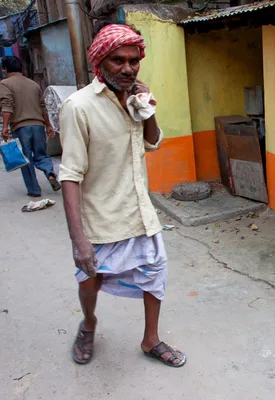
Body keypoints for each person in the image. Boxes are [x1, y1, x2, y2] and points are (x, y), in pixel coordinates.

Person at [59, 22, 186, 367]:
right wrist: (78, 239)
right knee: (90, 281)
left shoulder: (135, 98)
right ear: (99, 62)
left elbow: (152, 141)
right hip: (100, 218)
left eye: (134, 60)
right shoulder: (78, 106)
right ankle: (88, 325)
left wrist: (147, 109)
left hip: (141, 213)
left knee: (155, 276)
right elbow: (69, 175)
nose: (128, 68)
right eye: (118, 60)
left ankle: (150, 340)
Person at [0, 56, 61, 196]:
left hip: (21, 128)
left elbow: (7, 105)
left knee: (25, 159)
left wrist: (4, 127)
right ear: (21, 68)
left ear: (6, 69)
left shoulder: (5, 84)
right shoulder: (33, 84)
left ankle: (34, 190)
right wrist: (48, 125)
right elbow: (43, 106)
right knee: (41, 155)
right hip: (38, 126)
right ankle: (50, 174)